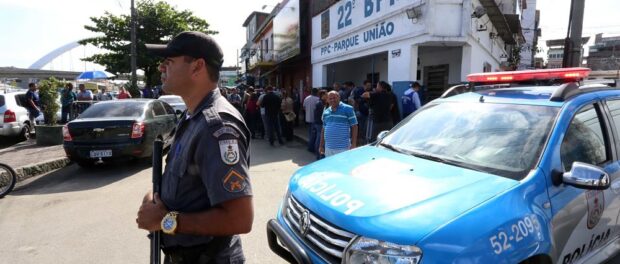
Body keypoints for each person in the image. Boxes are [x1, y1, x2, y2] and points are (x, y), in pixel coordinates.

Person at [137, 31, 253, 264]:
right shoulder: (192, 116)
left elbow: (240, 219)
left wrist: (166, 220)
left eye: (169, 62)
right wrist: (156, 197)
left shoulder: (217, 126)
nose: (161, 68)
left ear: (197, 67)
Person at [319, 91, 358, 157]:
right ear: (327, 100)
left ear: (339, 98)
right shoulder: (326, 112)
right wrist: (321, 146)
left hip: (343, 148)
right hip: (328, 148)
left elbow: (354, 126)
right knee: (330, 167)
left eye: (334, 98)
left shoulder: (348, 109)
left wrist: (353, 144)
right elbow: (324, 129)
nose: (332, 100)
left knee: (342, 167)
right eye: (330, 99)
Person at [302, 88, 320, 153]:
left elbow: (304, 107)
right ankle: (311, 147)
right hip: (314, 119)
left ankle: (310, 145)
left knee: (310, 133)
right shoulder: (317, 99)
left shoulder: (306, 98)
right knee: (314, 134)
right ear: (316, 92)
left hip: (308, 118)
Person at [313, 90, 327, 160]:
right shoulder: (320, 103)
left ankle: (319, 155)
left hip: (318, 123)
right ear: (322, 95)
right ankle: (319, 156)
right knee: (320, 140)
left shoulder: (320, 102)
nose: (327, 95)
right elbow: (323, 114)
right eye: (325, 94)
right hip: (320, 123)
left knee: (319, 139)